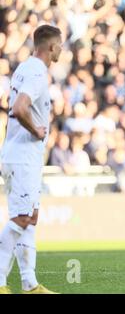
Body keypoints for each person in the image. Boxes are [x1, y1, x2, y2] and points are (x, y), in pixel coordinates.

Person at [0, 25, 63, 294]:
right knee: (22, 217)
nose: (61, 49)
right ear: (51, 47)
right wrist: (36, 129)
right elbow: (19, 107)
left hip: (20, 155)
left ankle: (29, 283)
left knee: (31, 216)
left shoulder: (24, 67)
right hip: (23, 156)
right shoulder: (37, 72)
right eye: (60, 44)